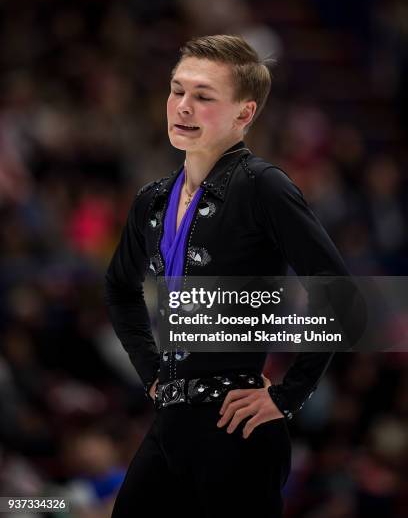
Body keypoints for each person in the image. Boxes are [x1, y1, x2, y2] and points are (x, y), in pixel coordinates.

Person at [104, 35, 350, 517]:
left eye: (204, 96)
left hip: (236, 427)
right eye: (177, 90)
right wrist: (151, 372)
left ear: (244, 113)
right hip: (169, 422)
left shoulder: (262, 185)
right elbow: (119, 287)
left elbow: (337, 290)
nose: (183, 106)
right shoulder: (152, 199)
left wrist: (288, 394)